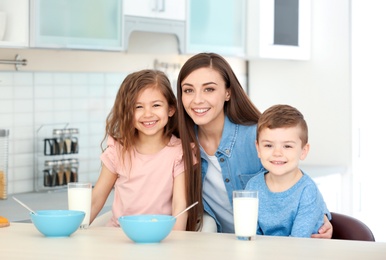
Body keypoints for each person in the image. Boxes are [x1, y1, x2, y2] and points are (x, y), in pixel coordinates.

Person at [176, 52, 332, 238]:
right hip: (221, 243)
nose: (197, 99)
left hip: (265, 244)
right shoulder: (180, 142)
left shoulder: (257, 137)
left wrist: (321, 215)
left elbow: (295, 184)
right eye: (188, 90)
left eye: (209, 89)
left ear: (228, 92)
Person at [90, 69, 197, 231]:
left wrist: (177, 244)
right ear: (127, 112)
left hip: (158, 237)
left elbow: (179, 206)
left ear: (170, 109)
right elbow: (96, 199)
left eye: (156, 105)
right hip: (119, 236)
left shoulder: (179, 153)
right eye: (138, 107)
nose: (148, 114)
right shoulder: (118, 151)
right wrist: (71, 231)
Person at [245, 104, 330, 237]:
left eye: (287, 146)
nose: (277, 153)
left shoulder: (307, 191)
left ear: (303, 151)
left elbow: (297, 242)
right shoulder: (252, 186)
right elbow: (250, 235)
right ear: (258, 148)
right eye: (268, 145)